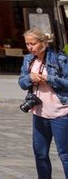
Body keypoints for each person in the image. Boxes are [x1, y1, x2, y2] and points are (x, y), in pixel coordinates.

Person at [19, 28, 68, 178]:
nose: (30, 47)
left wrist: (48, 78)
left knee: (64, 155)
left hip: (60, 114)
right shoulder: (28, 60)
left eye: (32, 44)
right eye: (27, 44)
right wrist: (30, 78)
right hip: (39, 113)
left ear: (44, 43)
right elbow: (21, 82)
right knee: (40, 153)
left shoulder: (60, 59)